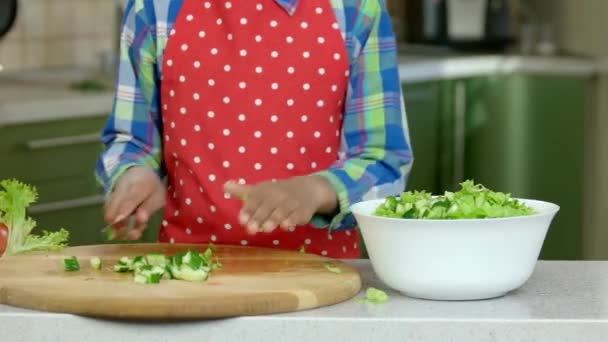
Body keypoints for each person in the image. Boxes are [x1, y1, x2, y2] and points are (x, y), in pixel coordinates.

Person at [95, 0, 413, 259]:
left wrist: (318, 190)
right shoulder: (154, 9)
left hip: (323, 281)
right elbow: (133, 140)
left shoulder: (357, 8)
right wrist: (133, 172)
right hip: (187, 280)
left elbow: (384, 161)